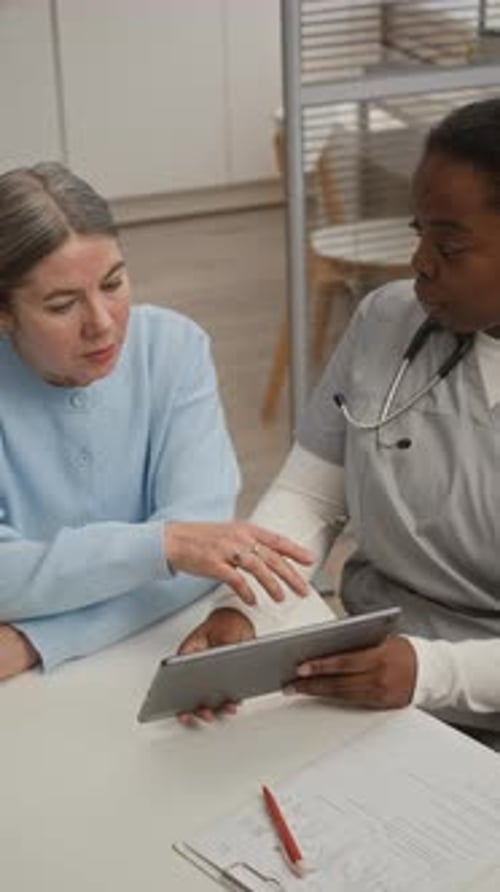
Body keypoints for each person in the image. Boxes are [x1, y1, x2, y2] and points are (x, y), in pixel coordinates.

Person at [180, 97, 500, 739]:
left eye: (450, 244)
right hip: (356, 669)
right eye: (419, 233)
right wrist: (246, 612)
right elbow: (309, 497)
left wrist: (427, 670)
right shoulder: (386, 321)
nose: (419, 263)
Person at [0, 162, 313, 683]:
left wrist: (42, 638)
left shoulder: (174, 348)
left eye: (113, 283)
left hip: (149, 647)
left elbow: (205, 555)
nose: (102, 323)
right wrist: (166, 547)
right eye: (61, 305)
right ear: (4, 312)